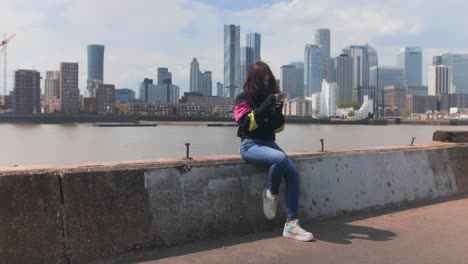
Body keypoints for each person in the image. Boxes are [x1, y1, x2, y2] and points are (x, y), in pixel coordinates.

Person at [234, 61, 314, 242]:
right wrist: (265, 107)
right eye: (263, 81)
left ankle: (292, 225)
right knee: (280, 159)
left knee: (293, 174)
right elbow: (247, 124)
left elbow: (277, 129)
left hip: (269, 143)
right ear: (254, 80)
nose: (267, 84)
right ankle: (271, 194)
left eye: (269, 81)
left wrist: (277, 111)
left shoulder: (270, 99)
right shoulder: (242, 99)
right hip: (250, 145)